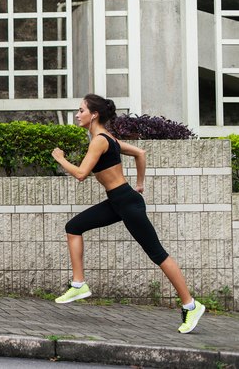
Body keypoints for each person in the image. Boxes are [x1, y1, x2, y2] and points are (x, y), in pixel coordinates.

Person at [50, 93, 205, 334]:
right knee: (74, 227)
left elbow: (81, 174)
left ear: (94, 115)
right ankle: (79, 283)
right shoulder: (108, 138)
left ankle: (190, 304)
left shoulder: (99, 140)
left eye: (81, 110)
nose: (77, 114)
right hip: (119, 200)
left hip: (125, 202)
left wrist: (60, 158)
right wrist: (140, 184)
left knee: (157, 254)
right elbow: (140, 153)